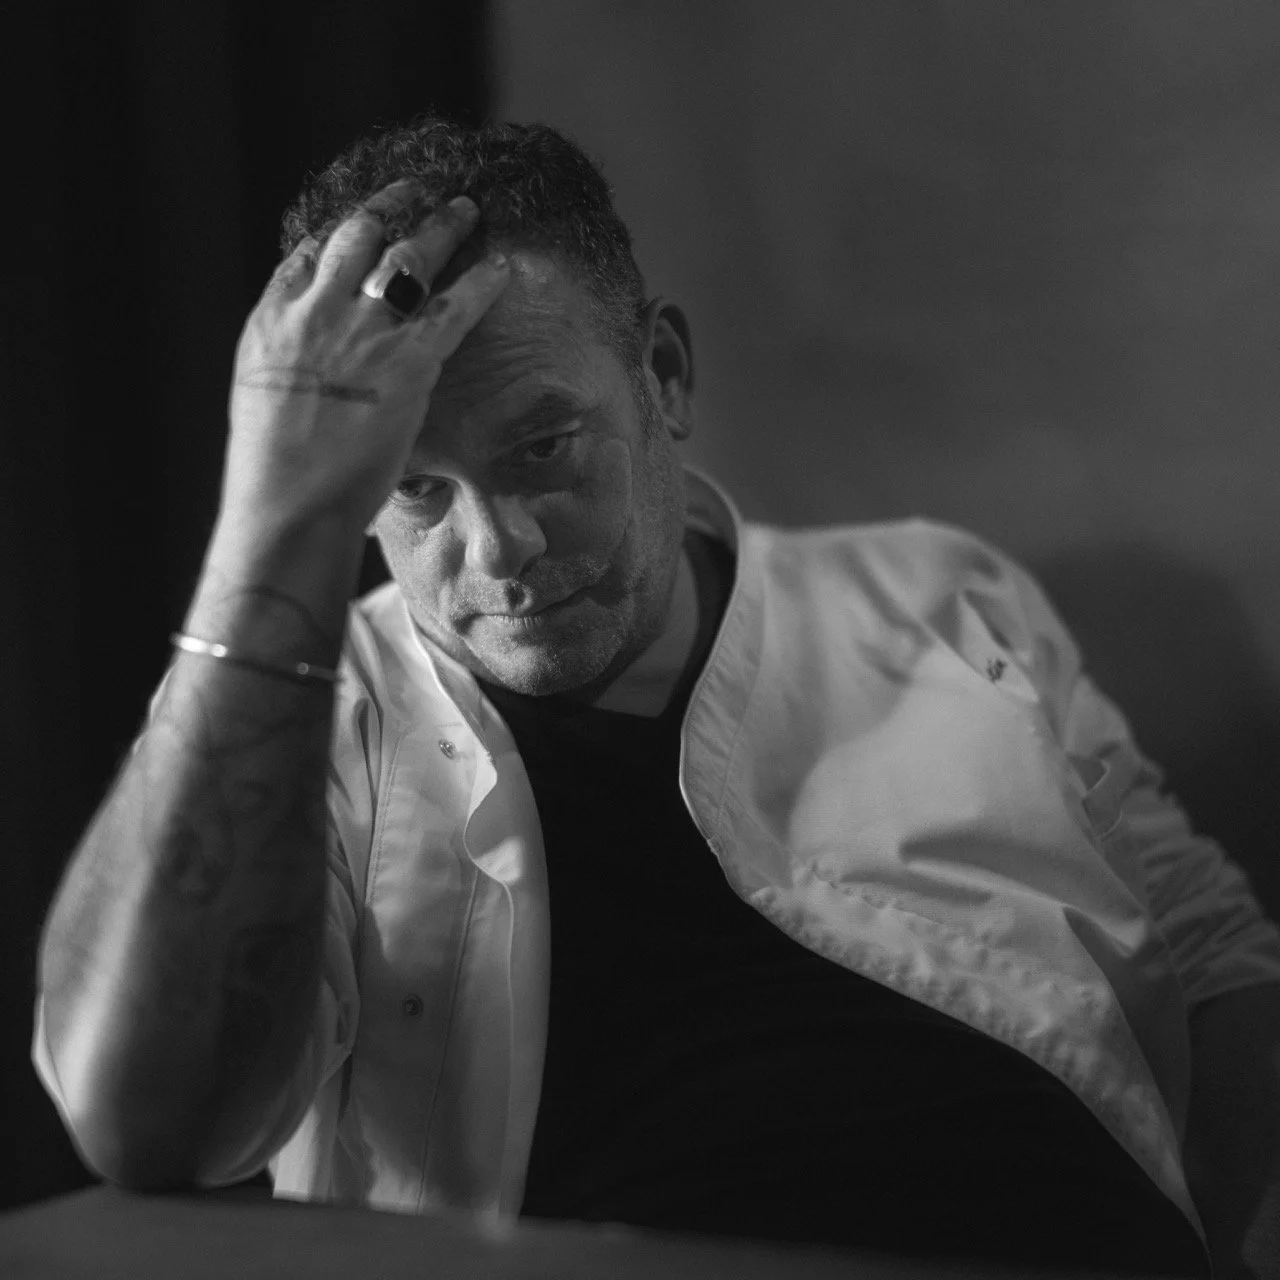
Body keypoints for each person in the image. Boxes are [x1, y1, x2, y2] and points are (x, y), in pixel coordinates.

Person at [30, 116, 1280, 1279]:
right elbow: (145, 1121)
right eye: (411, 487)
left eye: (543, 447)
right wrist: (269, 518)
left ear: (664, 377)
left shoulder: (937, 593)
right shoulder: (289, 714)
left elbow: (1205, 951)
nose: (501, 547)